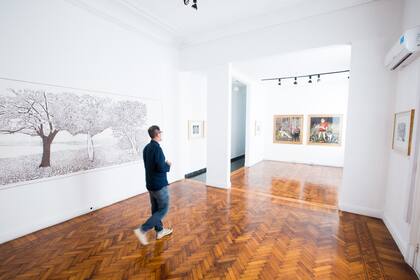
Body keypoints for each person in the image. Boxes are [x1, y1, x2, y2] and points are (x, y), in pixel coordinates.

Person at [133, 125, 173, 245]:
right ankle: (142, 230)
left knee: (155, 209)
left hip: (150, 184)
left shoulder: (146, 148)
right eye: (160, 133)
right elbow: (161, 168)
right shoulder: (157, 149)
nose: (161, 135)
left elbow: (151, 166)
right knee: (163, 209)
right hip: (159, 185)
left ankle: (160, 231)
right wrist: (168, 164)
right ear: (157, 134)